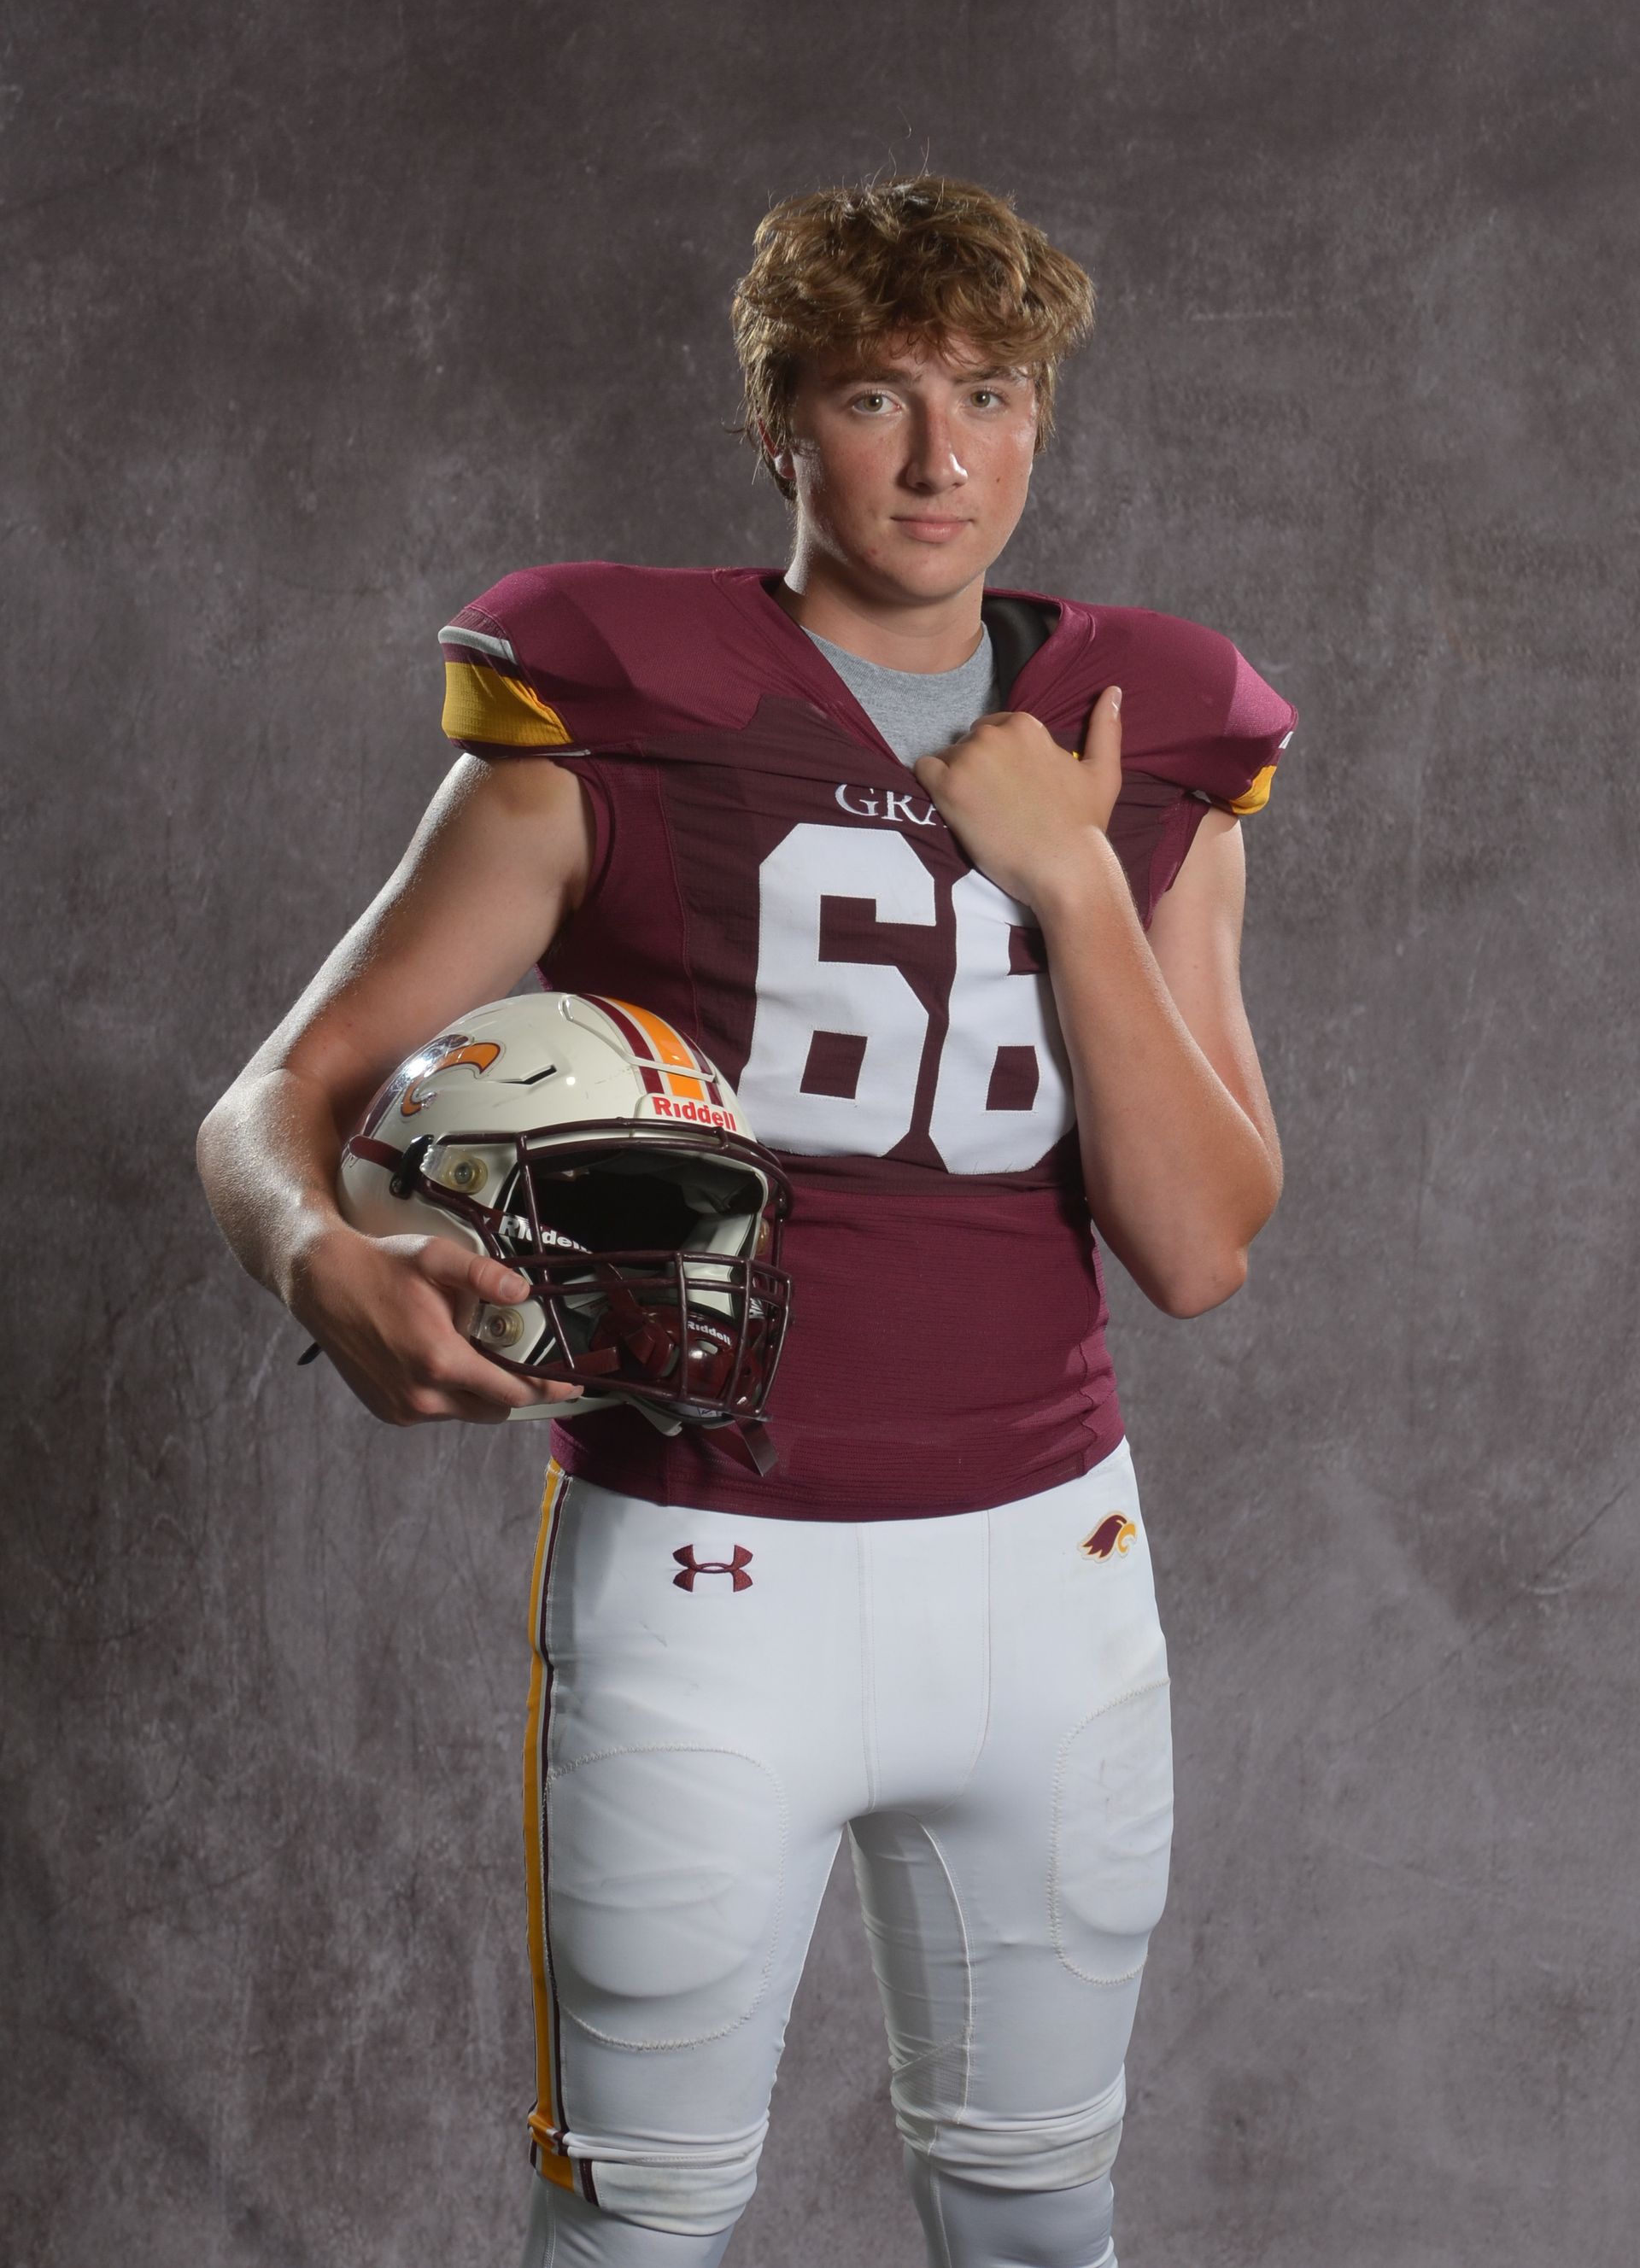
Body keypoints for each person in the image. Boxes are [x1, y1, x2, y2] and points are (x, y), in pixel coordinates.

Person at [197, 176, 1295, 2268]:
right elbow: (276, 1104)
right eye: (877, 398)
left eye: (990, 394)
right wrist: (318, 1251)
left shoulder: (1143, 738)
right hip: (711, 1586)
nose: (942, 455)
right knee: (640, 2224)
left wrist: (1070, 879)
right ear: (779, 428)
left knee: (1044, 2213)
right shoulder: (608, 710)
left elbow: (1202, 1244)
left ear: (1044, 416)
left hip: (1048, 1578)